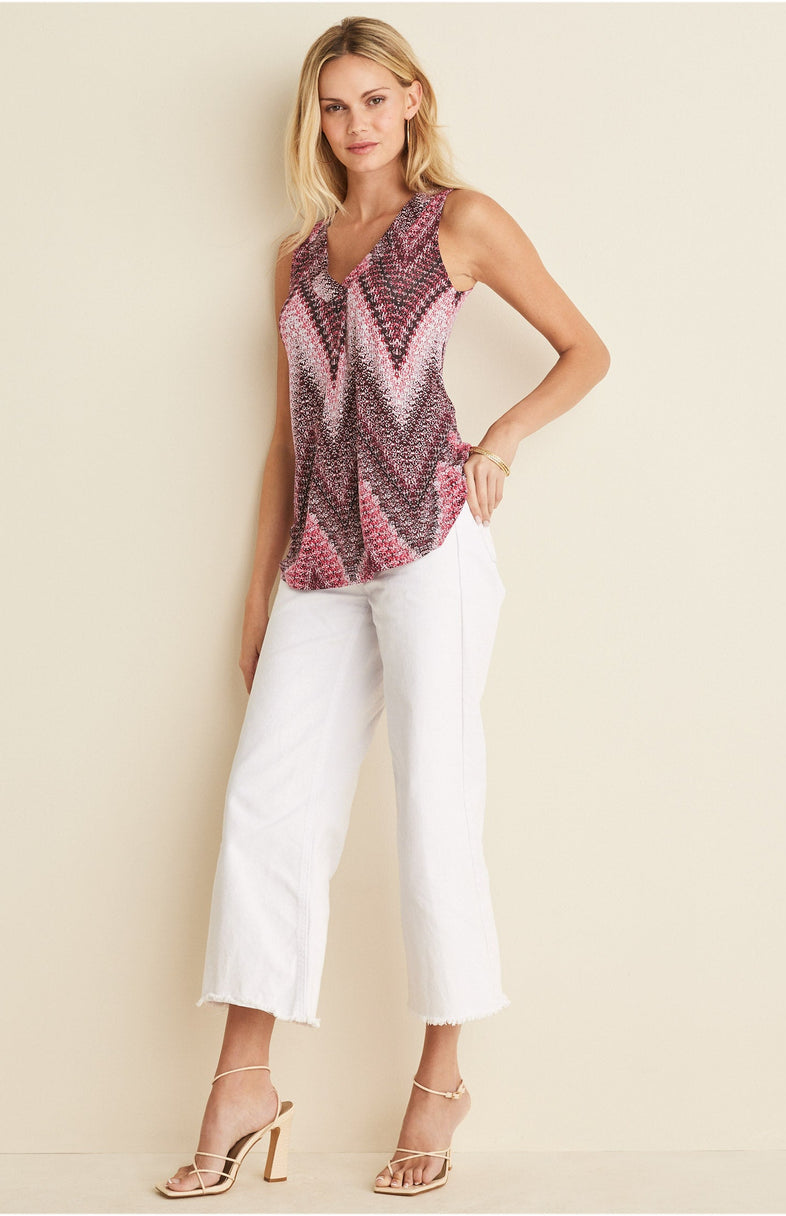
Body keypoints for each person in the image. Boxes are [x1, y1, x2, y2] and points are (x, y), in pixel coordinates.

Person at [155, 15, 610, 1202]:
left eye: (373, 99)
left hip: (428, 547)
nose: (354, 123)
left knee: (433, 804)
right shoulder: (297, 258)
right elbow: (286, 440)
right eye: (334, 105)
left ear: (412, 100)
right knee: (265, 806)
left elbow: (584, 349)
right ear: (315, 121)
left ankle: (441, 1081)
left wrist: (499, 440)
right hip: (318, 560)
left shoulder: (459, 222)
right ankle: (242, 1083)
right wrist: (255, 590)